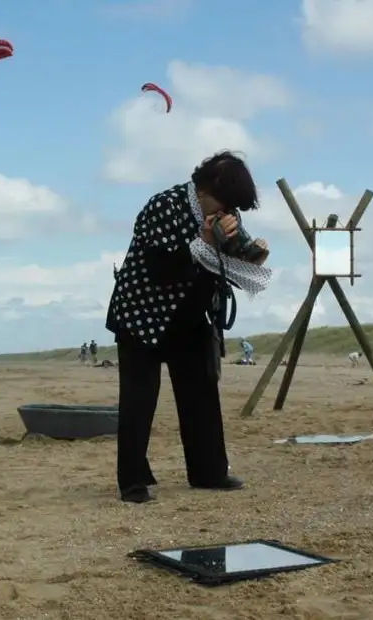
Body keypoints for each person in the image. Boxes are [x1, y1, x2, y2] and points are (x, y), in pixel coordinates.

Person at [105, 151, 272, 504]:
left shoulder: (226, 215)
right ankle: (133, 482)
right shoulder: (164, 205)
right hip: (142, 315)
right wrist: (205, 242)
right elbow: (161, 268)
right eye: (223, 203)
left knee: (202, 393)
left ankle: (209, 472)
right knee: (139, 400)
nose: (226, 212)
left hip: (191, 315)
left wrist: (254, 251)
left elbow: (238, 263)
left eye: (232, 207)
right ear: (202, 190)